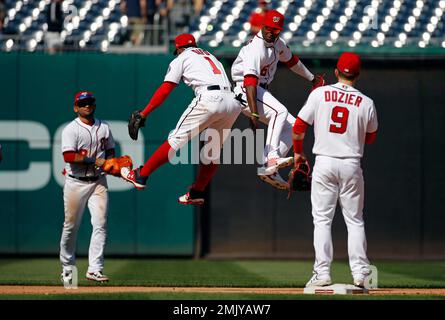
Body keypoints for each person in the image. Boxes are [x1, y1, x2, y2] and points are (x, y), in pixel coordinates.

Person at [121, 33, 241, 206]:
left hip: (209, 98)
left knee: (176, 140)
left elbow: (166, 88)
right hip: (232, 102)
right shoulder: (209, 55)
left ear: (178, 48)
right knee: (212, 150)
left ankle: (141, 175)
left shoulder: (182, 57)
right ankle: (197, 192)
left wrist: (145, 112)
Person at [292, 52, 378, 288]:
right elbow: (370, 138)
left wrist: (298, 152)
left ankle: (322, 274)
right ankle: (361, 275)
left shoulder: (319, 93)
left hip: (325, 162)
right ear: (358, 75)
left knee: (322, 220)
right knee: (355, 220)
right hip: (351, 163)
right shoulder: (367, 102)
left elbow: (299, 126)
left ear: (336, 72)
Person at [231, 9, 324, 190]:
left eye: (275, 30)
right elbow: (250, 81)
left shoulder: (278, 44)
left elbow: (292, 62)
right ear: (262, 26)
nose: (270, 33)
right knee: (279, 112)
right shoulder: (255, 48)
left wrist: (312, 78)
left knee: (293, 125)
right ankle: (271, 157)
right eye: (268, 28)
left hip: (259, 90)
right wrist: (254, 113)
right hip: (245, 89)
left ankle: (269, 168)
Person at [59, 91, 116, 285]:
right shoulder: (71, 130)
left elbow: (110, 149)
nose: (87, 106)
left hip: (98, 182)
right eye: (82, 103)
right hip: (75, 182)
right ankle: (68, 270)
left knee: (100, 224)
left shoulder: (104, 127)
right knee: (70, 227)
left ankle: (95, 269)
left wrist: (109, 162)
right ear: (76, 108)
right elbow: (68, 156)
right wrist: (96, 160)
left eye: (90, 102)